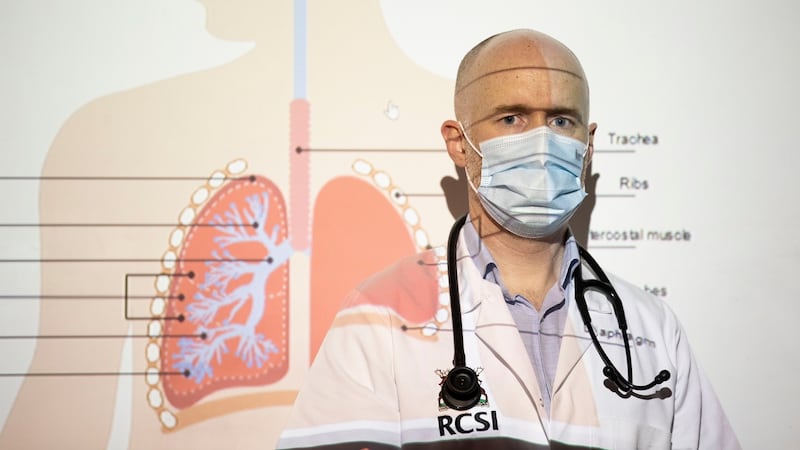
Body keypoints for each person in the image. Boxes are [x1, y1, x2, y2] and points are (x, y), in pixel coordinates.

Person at [276, 29, 740, 449]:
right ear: (459, 143)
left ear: (589, 144)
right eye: (512, 118)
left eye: (561, 121)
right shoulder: (379, 316)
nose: (541, 143)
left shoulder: (652, 327)